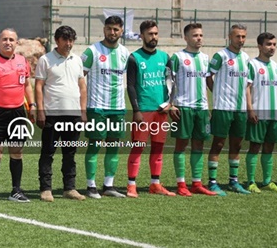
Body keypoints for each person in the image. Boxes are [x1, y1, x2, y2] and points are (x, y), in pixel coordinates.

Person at [0, 28, 36, 204]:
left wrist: (32, 105)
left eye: (11, 39)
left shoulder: (22, 61)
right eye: (4, 39)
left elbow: (27, 85)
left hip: (18, 113)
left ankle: (16, 191)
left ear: (17, 43)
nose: (8, 42)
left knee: (17, 152)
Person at [35, 26, 87, 202]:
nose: (69, 43)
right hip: (52, 114)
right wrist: (40, 110)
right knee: (48, 152)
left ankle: (69, 188)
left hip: (73, 115)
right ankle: (46, 188)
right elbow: (39, 86)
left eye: (71, 39)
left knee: (70, 152)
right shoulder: (45, 60)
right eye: (65, 39)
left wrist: (83, 112)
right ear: (57, 40)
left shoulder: (77, 60)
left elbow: (82, 86)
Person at [125, 20, 176, 198]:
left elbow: (171, 82)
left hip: (161, 111)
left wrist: (170, 103)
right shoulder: (134, 58)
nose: (153, 37)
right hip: (143, 110)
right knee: (138, 147)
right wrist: (136, 110)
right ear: (142, 36)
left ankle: (155, 183)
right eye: (150, 34)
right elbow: (130, 86)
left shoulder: (165, 57)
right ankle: (131, 185)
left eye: (155, 33)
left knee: (158, 148)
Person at [80, 16, 129, 199]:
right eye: (109, 29)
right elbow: (80, 79)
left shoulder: (125, 53)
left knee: (114, 146)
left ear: (121, 31)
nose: (112, 32)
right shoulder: (92, 51)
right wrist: (82, 107)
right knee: (94, 145)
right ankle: (90, 186)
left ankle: (109, 184)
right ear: (104, 30)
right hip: (96, 107)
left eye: (116, 29)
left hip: (118, 108)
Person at [170, 23, 217, 196]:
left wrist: (210, 105)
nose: (199, 38)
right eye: (195, 35)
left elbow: (207, 82)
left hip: (201, 108)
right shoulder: (178, 57)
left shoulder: (205, 58)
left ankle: (196, 182)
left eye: (201, 35)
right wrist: (171, 104)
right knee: (181, 144)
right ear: (186, 38)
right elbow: (169, 81)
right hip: (183, 106)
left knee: (199, 144)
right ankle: (181, 184)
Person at [206, 24, 251, 195]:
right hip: (223, 107)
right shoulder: (221, 55)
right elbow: (208, 76)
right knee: (218, 144)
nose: (241, 40)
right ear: (229, 37)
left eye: (243, 37)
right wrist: (216, 93)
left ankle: (234, 181)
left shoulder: (246, 58)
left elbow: (247, 84)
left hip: (240, 109)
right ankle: (212, 182)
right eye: (237, 36)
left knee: (237, 145)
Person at [244, 32, 277, 193]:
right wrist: (250, 109)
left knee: (269, 147)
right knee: (255, 147)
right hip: (259, 113)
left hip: (273, 114)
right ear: (260, 46)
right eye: (269, 44)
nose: (272, 48)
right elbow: (247, 88)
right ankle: (250, 181)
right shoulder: (252, 65)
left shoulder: (276, 66)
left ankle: (267, 181)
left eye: (274, 44)